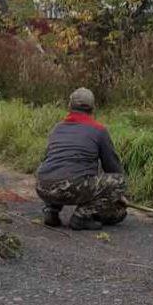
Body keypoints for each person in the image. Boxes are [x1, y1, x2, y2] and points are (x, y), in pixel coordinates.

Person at [36, 88, 127, 231]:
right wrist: (118, 194)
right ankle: (82, 216)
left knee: (57, 171)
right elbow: (112, 167)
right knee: (118, 181)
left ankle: (51, 211)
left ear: (69, 106)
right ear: (93, 108)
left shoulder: (57, 128)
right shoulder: (99, 130)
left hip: (43, 186)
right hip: (72, 187)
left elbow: (47, 158)